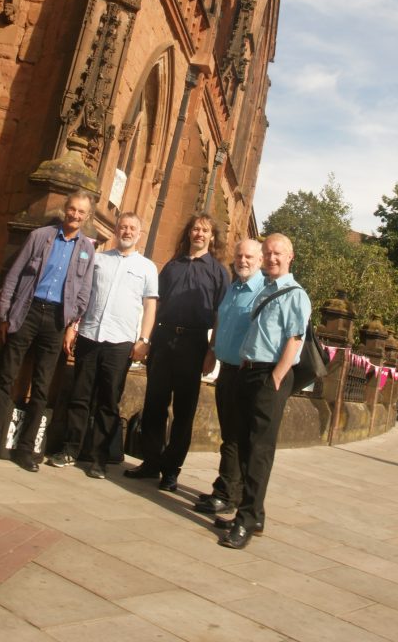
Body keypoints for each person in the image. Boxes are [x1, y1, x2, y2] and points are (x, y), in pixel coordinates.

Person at [0, 192, 95, 472]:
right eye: (72, 209)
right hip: (27, 311)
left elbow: (84, 292)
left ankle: (26, 449)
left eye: (81, 212)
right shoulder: (41, 236)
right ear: (66, 209)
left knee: (41, 385)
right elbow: (14, 275)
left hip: (56, 320)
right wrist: (5, 315)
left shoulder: (87, 248)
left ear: (87, 217)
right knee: (6, 376)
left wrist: (71, 324)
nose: (75, 215)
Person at [47, 212, 158, 478]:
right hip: (89, 335)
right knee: (80, 396)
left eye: (132, 228)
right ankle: (71, 450)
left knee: (109, 401)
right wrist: (73, 327)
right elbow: (82, 297)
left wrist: (144, 339)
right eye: (123, 227)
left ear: (139, 234)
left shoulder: (147, 267)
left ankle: (98, 457)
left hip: (120, 342)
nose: (127, 231)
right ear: (117, 230)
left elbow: (150, 304)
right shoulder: (98, 260)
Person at [124, 212, 230, 492]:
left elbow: (222, 314)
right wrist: (146, 339)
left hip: (194, 343)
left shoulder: (219, 272)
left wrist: (212, 351)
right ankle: (150, 462)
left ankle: (171, 470)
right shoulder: (172, 266)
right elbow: (154, 303)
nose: (199, 234)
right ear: (189, 233)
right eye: (195, 229)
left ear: (212, 237)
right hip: (163, 336)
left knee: (184, 410)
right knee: (154, 403)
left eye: (205, 230)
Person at [219, 232, 310, 550]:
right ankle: (253, 513)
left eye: (277, 253)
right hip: (250, 370)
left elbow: (294, 339)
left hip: (269, 375)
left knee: (259, 450)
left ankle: (245, 520)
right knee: (244, 444)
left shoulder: (295, 294)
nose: (272, 258)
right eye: (268, 252)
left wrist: (276, 378)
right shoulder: (266, 290)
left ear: (290, 257)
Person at [194, 238, 264, 519]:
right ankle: (226, 489)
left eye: (248, 256)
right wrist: (211, 350)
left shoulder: (261, 290)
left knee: (238, 436)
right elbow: (221, 321)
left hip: (246, 372)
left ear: (259, 260)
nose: (243, 260)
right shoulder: (234, 287)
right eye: (239, 256)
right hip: (226, 368)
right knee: (229, 434)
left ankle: (230, 494)